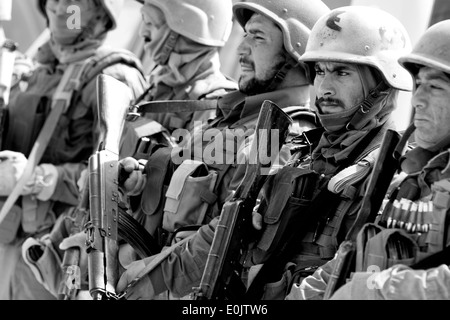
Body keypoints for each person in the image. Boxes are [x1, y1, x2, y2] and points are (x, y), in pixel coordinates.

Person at [114, 0, 332, 300]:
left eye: (258, 38)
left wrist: (157, 276)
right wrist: (141, 181)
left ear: (296, 51)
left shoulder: (282, 132)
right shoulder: (229, 117)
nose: (241, 50)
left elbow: (235, 230)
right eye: (245, 35)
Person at [0, 0, 147, 300]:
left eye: (73, 3)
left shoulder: (115, 77)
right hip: (9, 239)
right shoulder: (34, 68)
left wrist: (37, 177)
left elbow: (117, 173)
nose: (58, 6)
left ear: (100, 15)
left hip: (57, 255)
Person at [297, 19, 450, 301]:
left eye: (436, 87)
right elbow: (352, 259)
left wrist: (375, 289)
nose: (418, 100)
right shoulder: (413, 178)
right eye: (419, 85)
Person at [119, 0, 238, 159]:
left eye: (150, 22)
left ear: (186, 31)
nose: (143, 32)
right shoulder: (154, 85)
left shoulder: (215, 105)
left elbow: (193, 178)